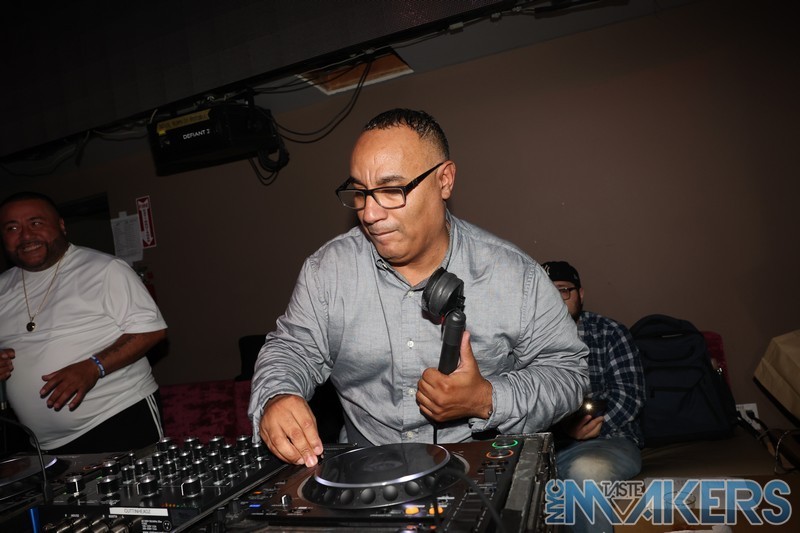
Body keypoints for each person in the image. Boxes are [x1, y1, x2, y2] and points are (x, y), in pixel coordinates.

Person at [248, 108, 589, 468]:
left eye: (391, 190)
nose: (369, 214)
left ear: (444, 180)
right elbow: (292, 349)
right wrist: (276, 396)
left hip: (480, 467)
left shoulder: (517, 276)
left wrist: (486, 399)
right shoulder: (327, 271)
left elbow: (568, 374)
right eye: (360, 192)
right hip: (364, 469)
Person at [0, 192, 167, 454]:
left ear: (61, 225)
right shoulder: (2, 287)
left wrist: (93, 367)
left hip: (118, 419)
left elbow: (150, 331)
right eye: (12, 228)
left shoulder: (105, 269)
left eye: (36, 223)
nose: (25, 236)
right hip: (41, 445)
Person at [542, 260, 646, 533]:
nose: (556, 300)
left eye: (563, 290)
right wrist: (562, 430)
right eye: (547, 292)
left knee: (585, 474)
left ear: (580, 294)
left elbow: (630, 396)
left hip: (609, 441)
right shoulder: (524, 343)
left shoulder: (610, 333)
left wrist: (586, 426)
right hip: (545, 449)